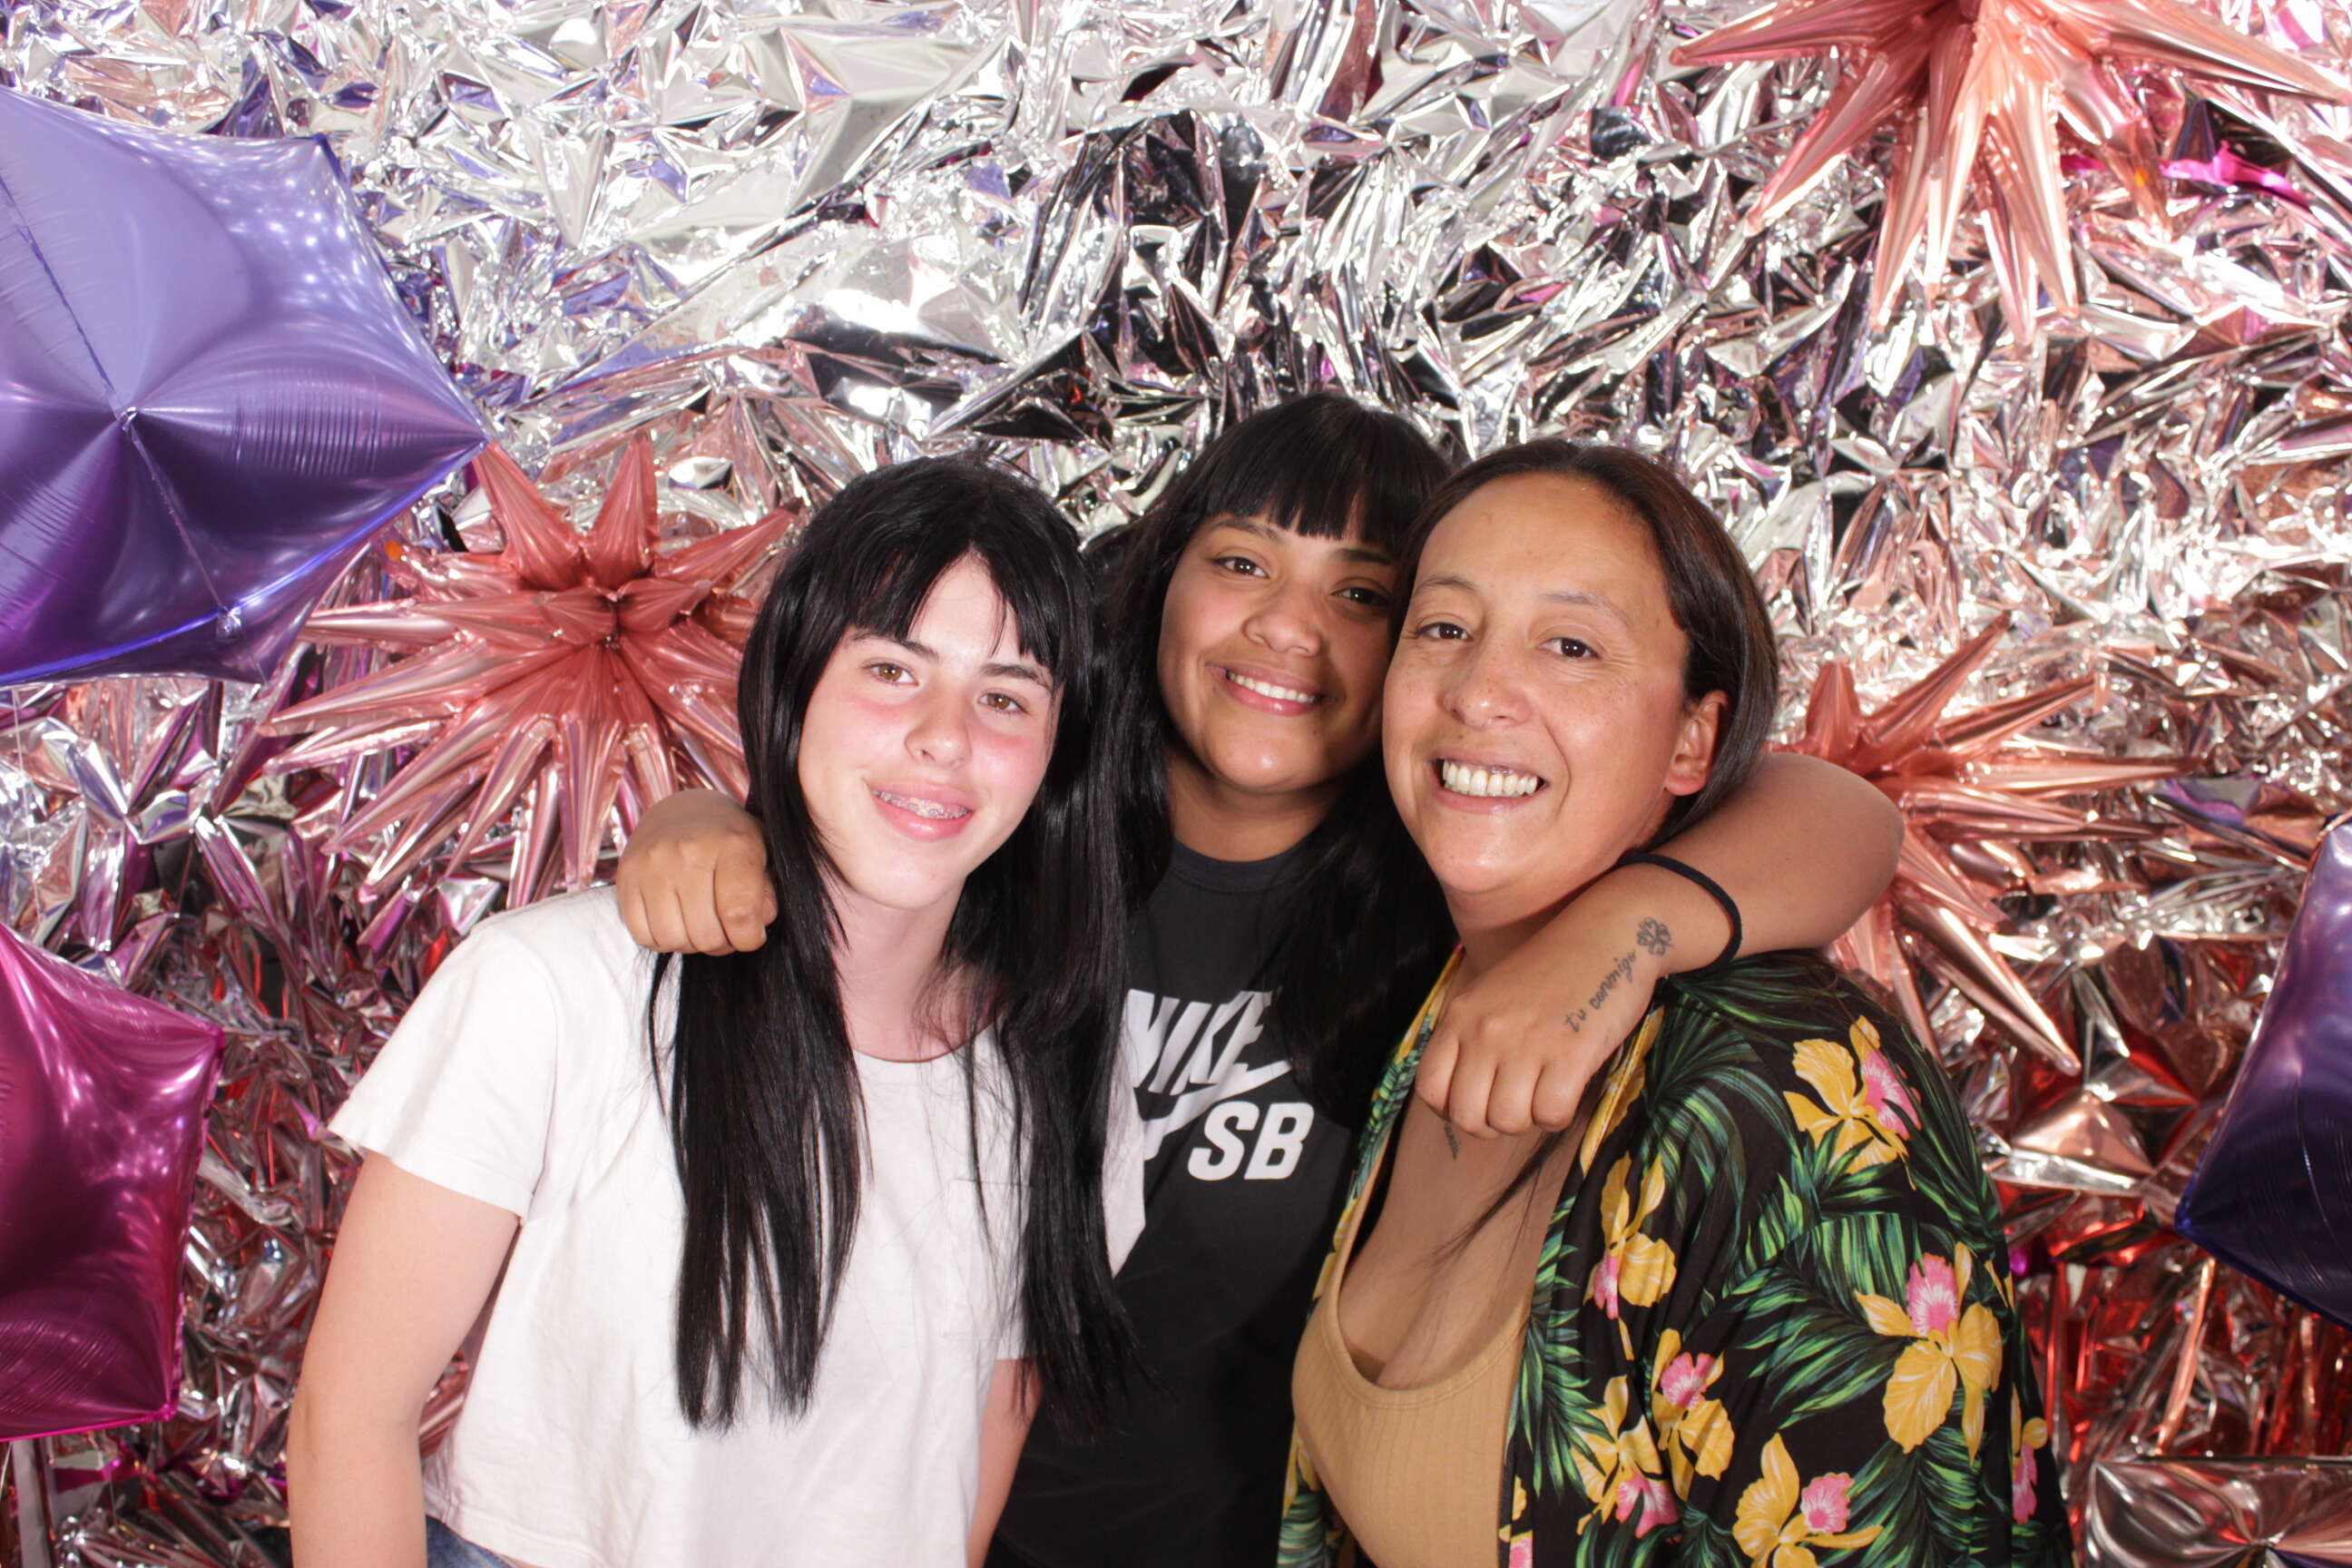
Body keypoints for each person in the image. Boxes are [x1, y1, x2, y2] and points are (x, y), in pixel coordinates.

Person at [614, 394, 1907, 1568]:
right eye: (1241, 562)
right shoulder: (1017, 840)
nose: (1287, 627)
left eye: (1364, 594)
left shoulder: (1450, 897)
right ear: (1160, 582)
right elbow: (854, 803)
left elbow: (1839, 812)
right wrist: (708, 819)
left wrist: (1627, 925)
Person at [288, 458, 1145, 1568]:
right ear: (793, 686)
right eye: (892, 669)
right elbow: (350, 1418)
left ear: (1058, 752)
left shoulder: (1062, 1064)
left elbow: (983, 1438)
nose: (946, 737)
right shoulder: (553, 987)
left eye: (1006, 697)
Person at [1280, 440, 2072, 1566]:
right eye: (1444, 627)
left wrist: (1631, 926)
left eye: (1571, 645)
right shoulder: (1450, 989)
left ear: (1694, 738)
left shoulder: (1779, 1105)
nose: (1477, 692)